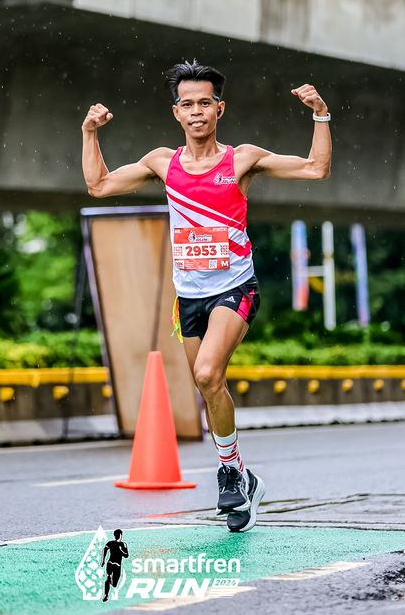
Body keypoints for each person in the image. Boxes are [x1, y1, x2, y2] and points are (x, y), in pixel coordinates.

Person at [82, 60, 332, 532]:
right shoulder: (162, 163)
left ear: (220, 109)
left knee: (207, 372)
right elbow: (98, 186)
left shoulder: (242, 160)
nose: (196, 111)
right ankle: (241, 475)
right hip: (189, 297)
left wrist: (320, 114)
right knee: (209, 385)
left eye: (204, 103)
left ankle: (228, 473)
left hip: (235, 288)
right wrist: (89, 132)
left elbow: (316, 169)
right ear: (176, 113)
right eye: (187, 104)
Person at [101, 528, 129, 602]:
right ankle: (106, 595)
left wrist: (121, 550)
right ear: (115, 535)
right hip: (112, 564)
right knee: (108, 577)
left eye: (118, 535)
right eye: (116, 535)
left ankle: (109, 583)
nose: (118, 536)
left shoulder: (122, 544)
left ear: (121, 535)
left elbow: (126, 555)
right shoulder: (112, 543)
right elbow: (105, 550)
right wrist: (103, 560)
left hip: (114, 565)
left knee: (114, 584)